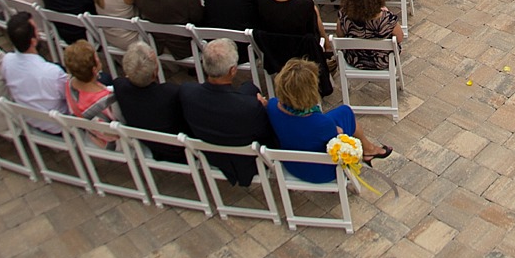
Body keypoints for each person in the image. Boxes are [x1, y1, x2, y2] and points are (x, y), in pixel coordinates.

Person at [266, 58, 391, 181]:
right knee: (346, 113)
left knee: (343, 112)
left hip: (291, 164)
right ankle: (369, 149)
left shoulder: (272, 106)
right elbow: (338, 137)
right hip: (321, 171)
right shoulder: (319, 122)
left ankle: (368, 149)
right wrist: (338, 131)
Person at [179, 39, 274, 185]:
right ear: (232, 70)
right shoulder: (249, 107)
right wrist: (263, 107)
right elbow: (265, 134)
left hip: (210, 153)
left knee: (249, 87)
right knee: (251, 90)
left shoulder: (187, 92)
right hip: (244, 160)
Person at [255, 0, 333, 96]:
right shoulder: (305, 5)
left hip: (274, 54)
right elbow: (311, 33)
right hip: (302, 55)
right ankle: (327, 45)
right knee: (314, 11)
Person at [112, 43, 187, 161]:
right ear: (155, 72)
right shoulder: (170, 93)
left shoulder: (119, 86)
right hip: (180, 150)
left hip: (152, 145)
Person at [1, 13, 69, 132]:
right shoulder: (51, 73)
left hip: (30, 119)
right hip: (58, 125)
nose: (38, 33)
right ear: (33, 41)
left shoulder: (7, 61)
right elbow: (70, 95)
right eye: (36, 29)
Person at [336, 0, 404, 69]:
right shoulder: (387, 19)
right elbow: (400, 38)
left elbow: (340, 35)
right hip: (383, 61)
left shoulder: (343, 17)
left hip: (354, 60)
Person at [62, 40, 117, 143]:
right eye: (97, 58)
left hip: (92, 134)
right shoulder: (108, 99)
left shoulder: (69, 84)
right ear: (94, 70)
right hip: (115, 141)